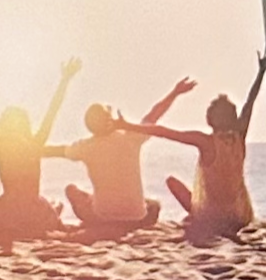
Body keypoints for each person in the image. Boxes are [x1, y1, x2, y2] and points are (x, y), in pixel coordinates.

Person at [115, 56, 266, 243]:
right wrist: (261, 73)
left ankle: (196, 216)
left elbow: (163, 132)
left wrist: (127, 126)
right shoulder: (239, 135)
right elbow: (249, 103)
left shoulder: (205, 141)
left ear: (210, 119)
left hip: (213, 218)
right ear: (231, 117)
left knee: (172, 182)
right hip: (240, 216)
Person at [52, 78, 195, 235]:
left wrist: (32, 150)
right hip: (138, 219)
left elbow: (57, 151)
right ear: (109, 120)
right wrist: (174, 93)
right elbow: (154, 115)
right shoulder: (131, 137)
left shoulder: (86, 146)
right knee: (154, 205)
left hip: (102, 218)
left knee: (71, 190)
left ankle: (102, 218)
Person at [0, 57, 81, 241]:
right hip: (33, 209)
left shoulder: (0, 144)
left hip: (8, 210)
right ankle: (53, 212)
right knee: (48, 213)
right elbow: (53, 111)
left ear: (3, 125)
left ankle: (49, 211)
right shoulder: (35, 144)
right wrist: (65, 80)